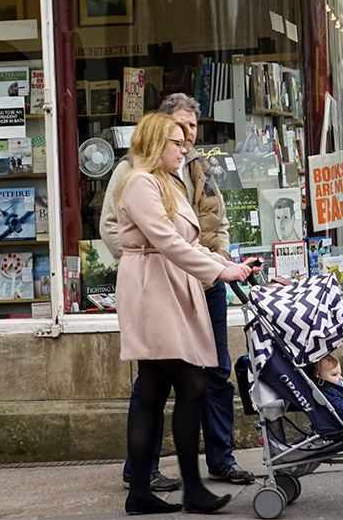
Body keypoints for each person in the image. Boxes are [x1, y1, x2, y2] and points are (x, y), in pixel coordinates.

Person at [102, 94, 255, 492]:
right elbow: (132, 234)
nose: (188, 138)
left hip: (203, 281)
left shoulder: (195, 169)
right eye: (181, 130)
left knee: (214, 373)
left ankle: (218, 461)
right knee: (168, 383)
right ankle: (149, 473)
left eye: (193, 127)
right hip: (165, 286)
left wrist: (220, 262)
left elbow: (214, 219)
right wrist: (148, 264)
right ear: (161, 130)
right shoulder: (134, 175)